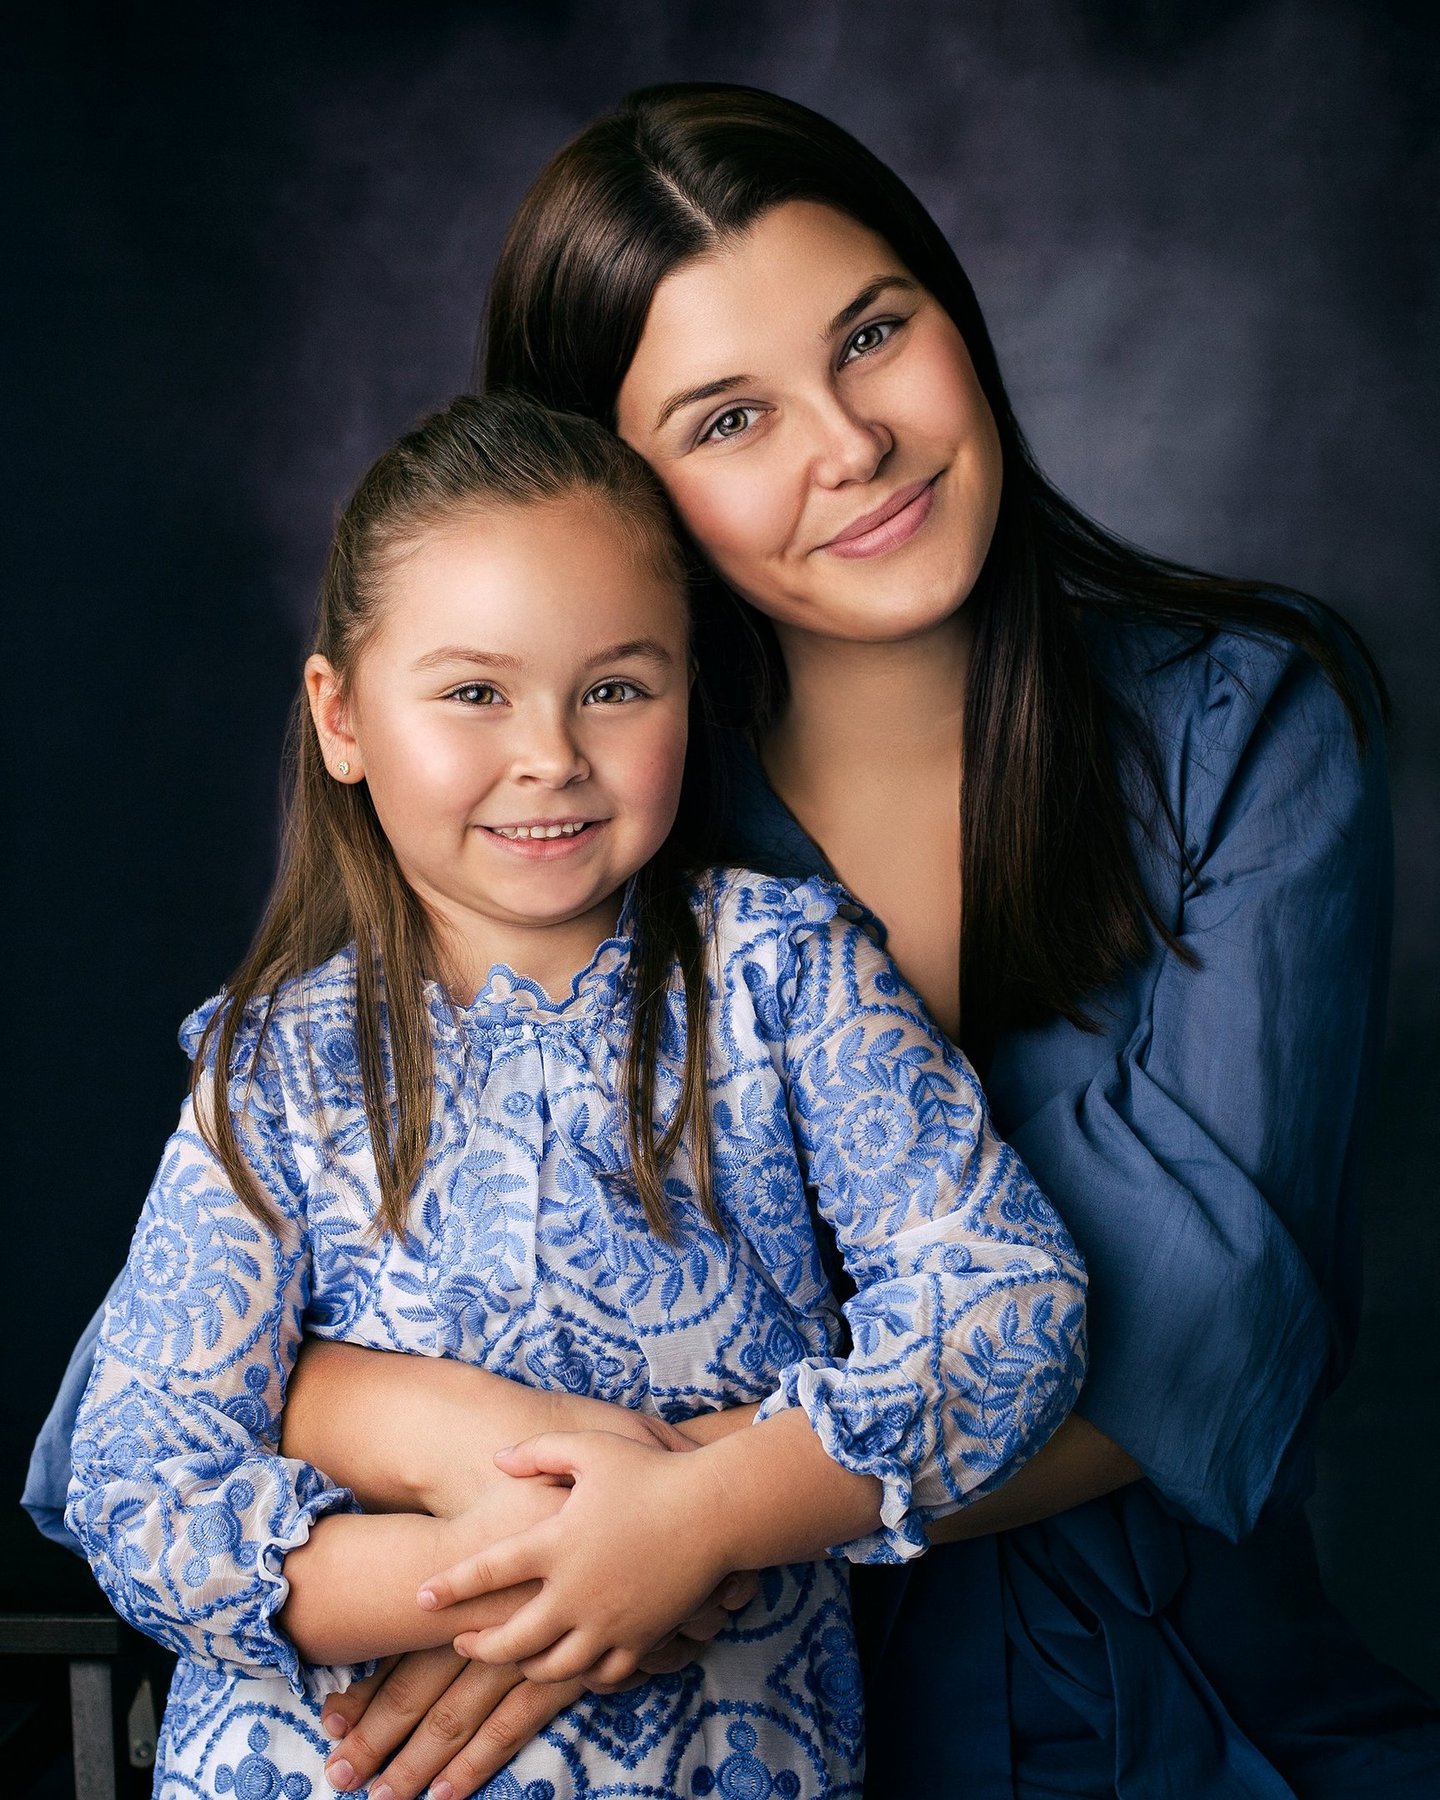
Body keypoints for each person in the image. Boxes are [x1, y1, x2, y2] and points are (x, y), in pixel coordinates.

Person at [27, 79, 1439, 1799]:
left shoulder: (1237, 728)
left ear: (952, 310)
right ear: (609, 499)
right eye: (726, 420)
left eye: (873, 334)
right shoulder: (588, 823)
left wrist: (668, 1533)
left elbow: (1197, 1332)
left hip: (1139, 1698)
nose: (848, 445)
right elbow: (159, 1366)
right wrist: (513, 1515)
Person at [61, 389, 1087, 1797]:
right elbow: (136, 1486)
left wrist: (701, 1519)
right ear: (343, 715)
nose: (551, 753)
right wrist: (510, 1580)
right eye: (475, 691)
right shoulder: (276, 1067)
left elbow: (1009, 1308)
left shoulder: (789, 984)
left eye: (615, 686)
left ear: (688, 688)